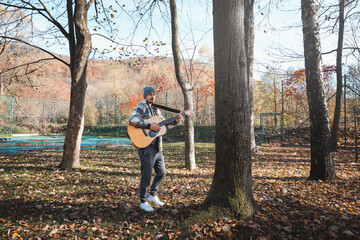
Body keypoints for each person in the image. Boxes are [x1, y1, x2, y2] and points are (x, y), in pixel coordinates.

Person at [129, 86, 182, 212]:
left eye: (154, 94)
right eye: (150, 94)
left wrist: (176, 121)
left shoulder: (157, 109)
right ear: (145, 96)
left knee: (161, 172)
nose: (152, 96)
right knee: (146, 174)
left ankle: (152, 195)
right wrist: (148, 125)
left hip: (157, 147)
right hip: (146, 146)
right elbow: (133, 119)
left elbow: (163, 126)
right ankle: (143, 201)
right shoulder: (142, 106)